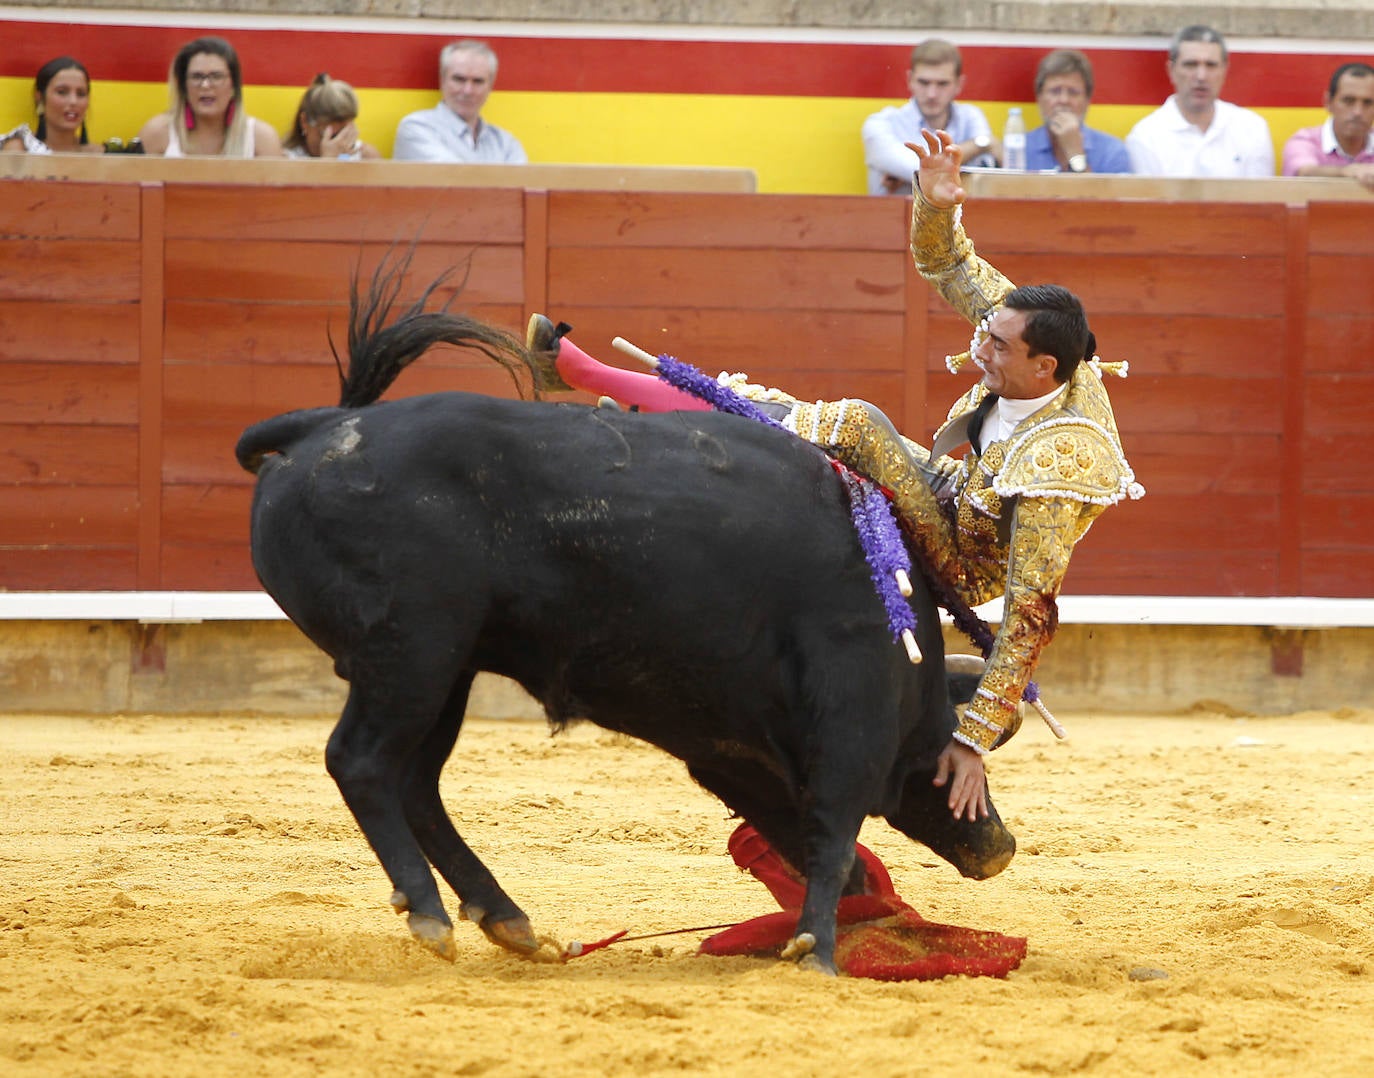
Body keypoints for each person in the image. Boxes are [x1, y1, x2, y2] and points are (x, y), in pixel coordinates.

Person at [524, 128, 1142, 821]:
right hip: (947, 487)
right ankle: (609, 388)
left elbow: (1029, 611)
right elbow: (951, 266)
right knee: (794, 416)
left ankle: (638, 407)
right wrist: (938, 204)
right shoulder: (1032, 334)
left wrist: (972, 739)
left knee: (857, 427)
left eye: (997, 348)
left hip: (961, 559)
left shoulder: (1063, 459)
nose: (981, 354)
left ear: (1044, 370)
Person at [1126, 25, 1273, 177]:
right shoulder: (1146, 136)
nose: (1201, 76)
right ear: (1171, 71)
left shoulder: (1252, 129)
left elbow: (1260, 198)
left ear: (1224, 70)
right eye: (1190, 65)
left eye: (1211, 65)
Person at [862, 39, 996, 195]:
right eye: (924, 83)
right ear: (910, 80)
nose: (932, 94)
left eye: (942, 84)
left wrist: (911, 177)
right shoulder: (880, 124)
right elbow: (922, 169)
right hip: (897, 219)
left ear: (959, 84)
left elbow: (988, 173)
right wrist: (980, 145)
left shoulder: (971, 116)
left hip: (962, 218)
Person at [137, 36, 283, 158]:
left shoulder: (262, 139)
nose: (206, 85)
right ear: (183, 86)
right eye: (196, 77)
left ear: (233, 86)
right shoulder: (156, 133)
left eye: (216, 76)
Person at [392, 40, 527, 164]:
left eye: (478, 81)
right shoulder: (416, 128)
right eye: (459, 79)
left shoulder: (505, 143)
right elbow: (456, 179)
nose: (468, 90)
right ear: (442, 81)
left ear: (490, 86)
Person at [1025, 49, 1131, 174]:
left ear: (1087, 100)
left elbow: (1103, 194)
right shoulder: (1019, 148)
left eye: (1073, 92)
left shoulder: (1112, 151)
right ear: (1040, 97)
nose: (1064, 100)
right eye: (1055, 91)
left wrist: (1076, 155)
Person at [1282, 62, 1374, 190]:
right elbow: (1304, 173)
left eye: (1368, 103)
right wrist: (1347, 172)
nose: (1358, 112)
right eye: (1348, 101)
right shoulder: (1305, 141)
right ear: (1328, 102)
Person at [1, 57, 104, 155]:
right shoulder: (20, 149)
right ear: (40, 97)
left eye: (81, 94)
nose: (73, 101)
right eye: (62, 92)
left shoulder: (101, 155)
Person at [281, 73, 381, 160]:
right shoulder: (285, 159)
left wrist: (342, 159)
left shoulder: (365, 157)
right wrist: (328, 160)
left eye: (342, 134)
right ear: (304, 122)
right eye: (328, 135)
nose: (337, 144)